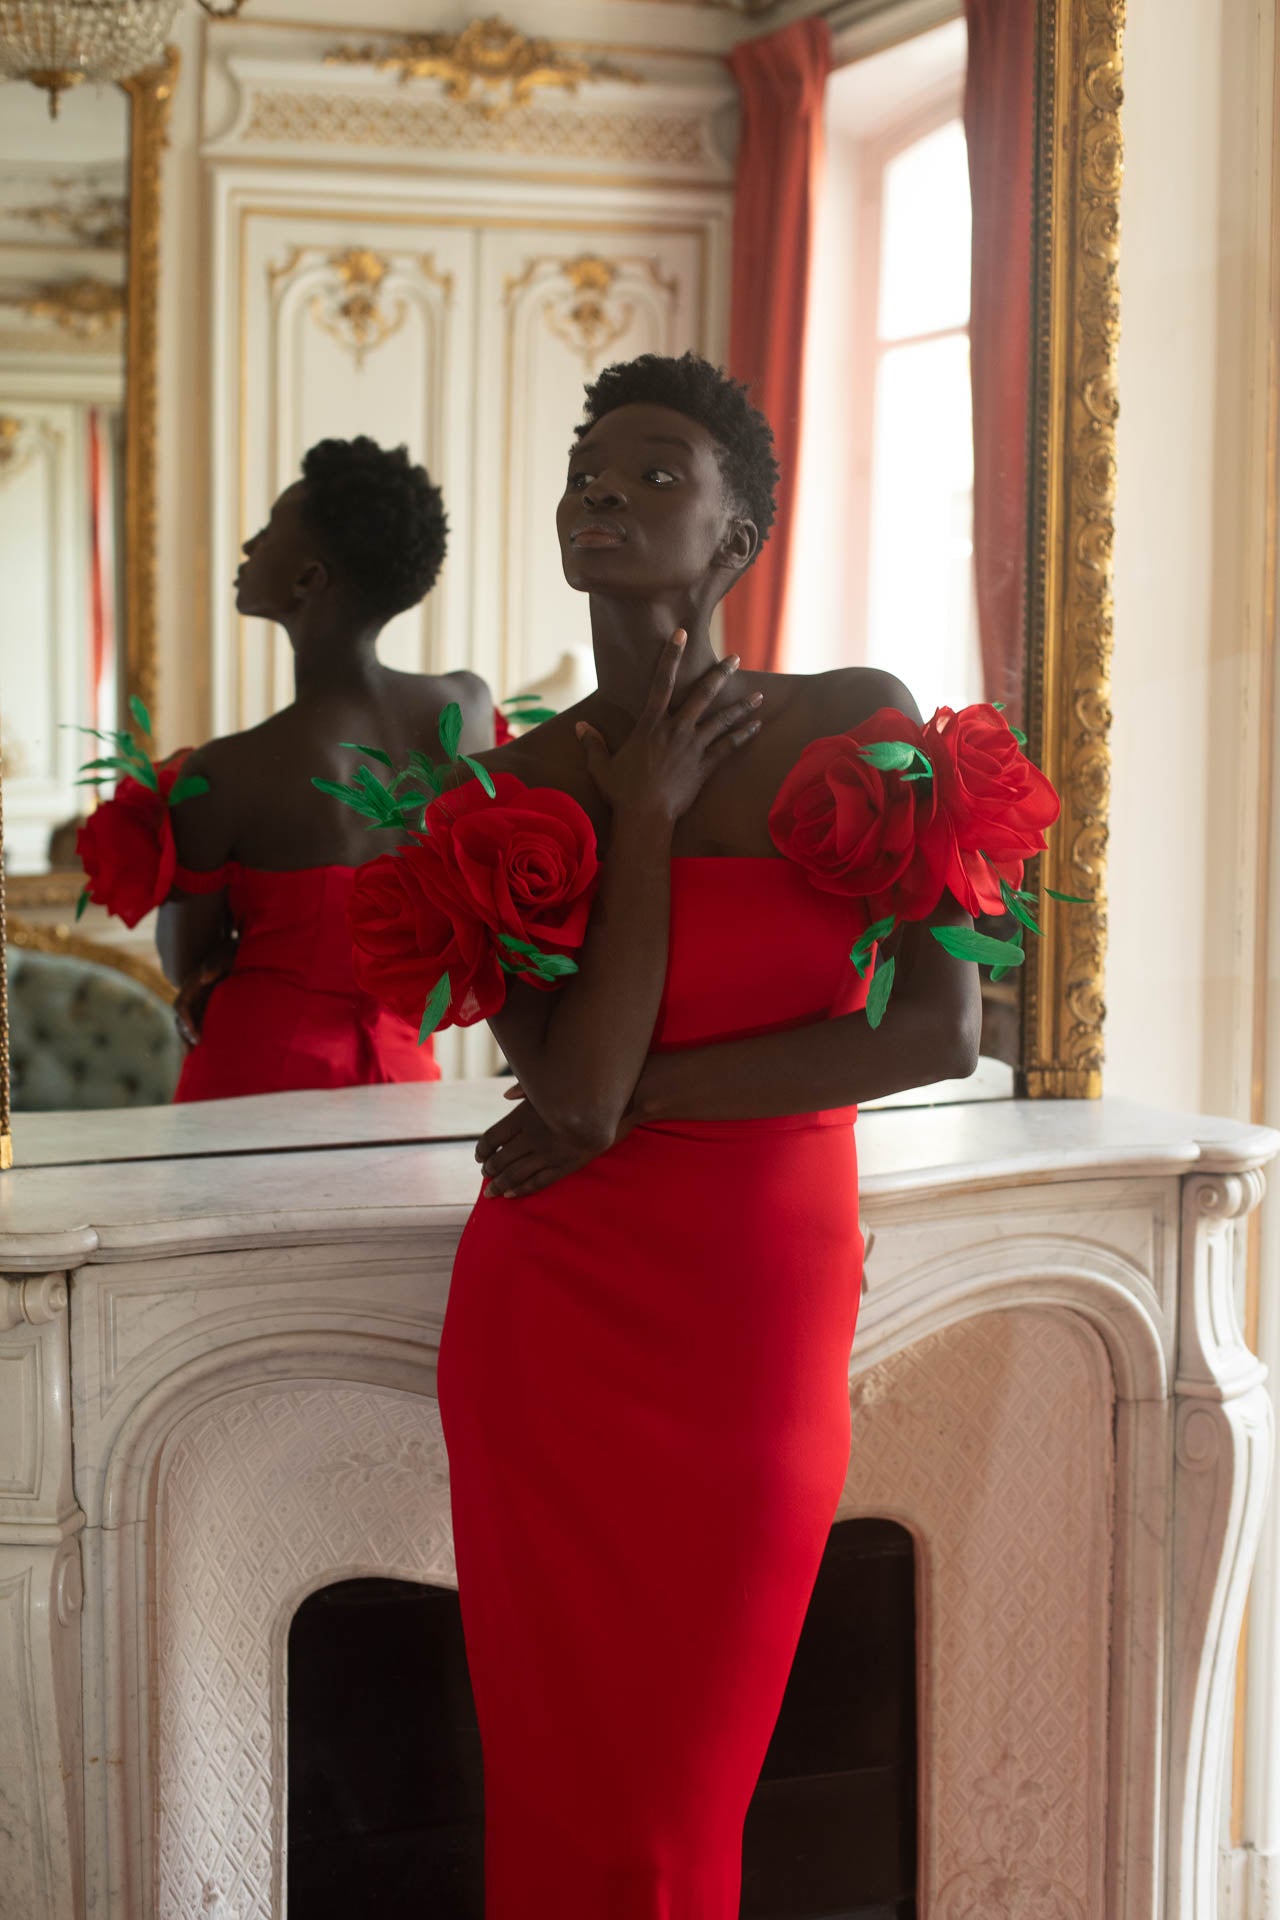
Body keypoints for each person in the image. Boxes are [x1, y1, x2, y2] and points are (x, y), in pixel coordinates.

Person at [434, 352, 982, 1917]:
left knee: (685, 1792)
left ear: (743, 534)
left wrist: (630, 1109)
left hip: (756, 1307)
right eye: (588, 471)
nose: (604, 489)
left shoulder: (858, 725)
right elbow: (577, 1093)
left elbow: (935, 1032)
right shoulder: (514, 787)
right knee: (558, 1786)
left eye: (658, 470)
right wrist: (646, 818)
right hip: (552, 1317)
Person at [157, 435, 493, 1101]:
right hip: (404, 1071)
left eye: (268, 530)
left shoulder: (225, 771)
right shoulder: (466, 707)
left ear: (310, 579)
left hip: (252, 1076)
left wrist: (232, 949)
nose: (249, 547)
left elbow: (183, 964)